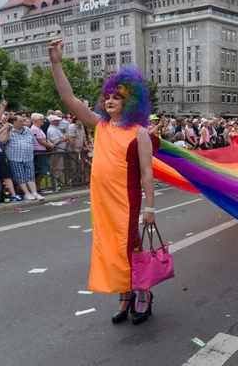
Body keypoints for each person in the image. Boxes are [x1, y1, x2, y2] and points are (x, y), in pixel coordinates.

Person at [49, 38, 156, 325]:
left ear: (128, 102)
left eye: (116, 97)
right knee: (109, 247)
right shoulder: (100, 125)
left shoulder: (139, 133)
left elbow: (147, 173)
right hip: (101, 200)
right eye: (107, 96)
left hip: (127, 200)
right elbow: (68, 99)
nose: (109, 101)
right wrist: (55, 64)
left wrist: (151, 208)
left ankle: (143, 292)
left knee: (130, 245)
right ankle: (125, 294)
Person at [4, 115, 44, 200]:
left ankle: (34, 192)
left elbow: (34, 141)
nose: (22, 123)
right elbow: (3, 142)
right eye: (20, 121)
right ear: (14, 122)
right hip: (15, 158)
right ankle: (26, 193)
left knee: (30, 175)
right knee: (20, 176)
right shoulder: (9, 131)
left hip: (28, 157)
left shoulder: (28, 130)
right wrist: (7, 131)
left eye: (23, 121)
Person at [30, 113, 54, 189]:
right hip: (38, 150)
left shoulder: (38, 128)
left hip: (42, 150)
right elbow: (40, 141)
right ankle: (36, 185)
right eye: (41, 119)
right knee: (41, 169)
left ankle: (38, 185)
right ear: (37, 120)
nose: (43, 120)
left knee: (43, 169)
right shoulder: (34, 129)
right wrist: (50, 146)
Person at [46, 114, 70, 187]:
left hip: (60, 149)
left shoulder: (54, 129)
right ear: (52, 121)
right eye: (57, 120)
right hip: (58, 150)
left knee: (59, 167)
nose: (59, 122)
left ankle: (58, 182)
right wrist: (66, 138)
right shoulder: (52, 130)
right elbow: (56, 141)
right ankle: (56, 183)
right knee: (57, 167)